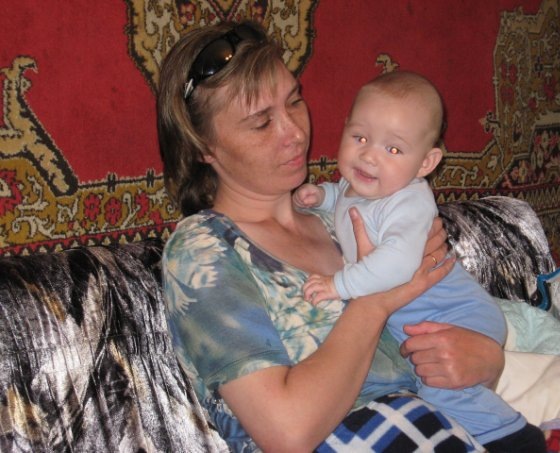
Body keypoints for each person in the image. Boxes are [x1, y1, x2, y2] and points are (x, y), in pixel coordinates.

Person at [157, 19, 511, 452]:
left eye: (294, 101)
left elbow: (443, 334)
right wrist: (374, 301)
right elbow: (286, 433)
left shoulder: (349, 212)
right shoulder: (204, 249)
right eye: (262, 123)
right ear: (202, 147)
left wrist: (487, 360)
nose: (295, 133)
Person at [293, 71, 545, 450]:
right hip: (424, 317)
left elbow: (397, 264)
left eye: (393, 149)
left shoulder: (408, 201)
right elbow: (345, 196)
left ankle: (516, 438)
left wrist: (339, 285)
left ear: (426, 162)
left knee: (441, 387)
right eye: (360, 137)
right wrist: (323, 197)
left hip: (455, 314)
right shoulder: (361, 183)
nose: (369, 155)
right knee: (432, 388)